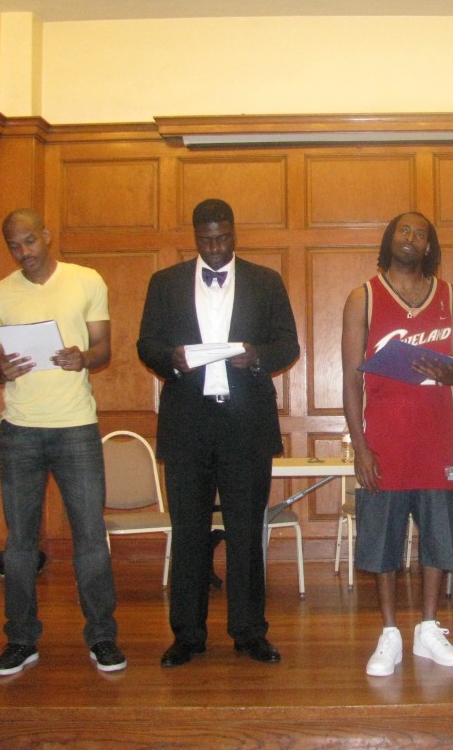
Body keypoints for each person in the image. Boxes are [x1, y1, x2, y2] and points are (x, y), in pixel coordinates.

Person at [137, 198, 299, 668]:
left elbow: (288, 344)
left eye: (222, 238)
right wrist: (171, 358)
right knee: (188, 531)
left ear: (234, 233)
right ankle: (187, 635)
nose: (214, 247)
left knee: (246, 532)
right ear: (195, 236)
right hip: (187, 424)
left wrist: (257, 356)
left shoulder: (266, 281)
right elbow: (146, 344)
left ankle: (249, 632)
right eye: (206, 239)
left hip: (245, 425)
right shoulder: (164, 283)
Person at [0, 208, 126, 676]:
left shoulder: (86, 280)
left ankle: (102, 636)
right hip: (19, 430)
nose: (23, 252)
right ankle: (21, 640)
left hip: (75, 427)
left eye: (29, 241)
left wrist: (83, 357)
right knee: (20, 544)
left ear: (46, 235)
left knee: (90, 538)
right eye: (14, 245)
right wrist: (1, 369)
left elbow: (103, 348)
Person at [341, 211, 453, 677]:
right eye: (404, 230)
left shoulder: (449, 294)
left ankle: (429, 628)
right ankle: (390, 633)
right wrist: (361, 448)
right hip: (384, 441)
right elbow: (350, 381)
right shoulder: (363, 297)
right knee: (383, 542)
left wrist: (451, 371)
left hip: (435, 438)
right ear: (390, 238)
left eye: (421, 233)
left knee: (438, 538)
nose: (412, 237)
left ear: (429, 245)